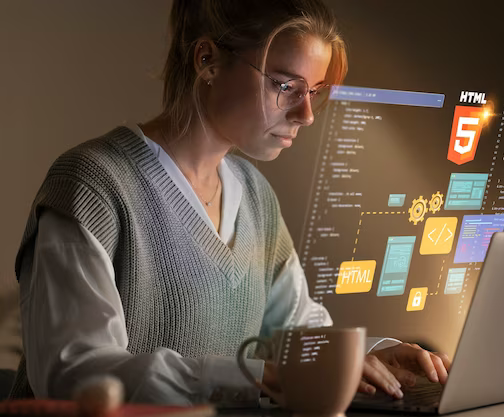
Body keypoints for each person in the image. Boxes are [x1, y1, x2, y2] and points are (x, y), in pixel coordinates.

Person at [10, 0, 450, 406]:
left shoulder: (255, 196)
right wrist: (245, 379)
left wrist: (373, 355)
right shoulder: (93, 185)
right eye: (285, 85)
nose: (306, 114)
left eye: (313, 91)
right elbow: (73, 372)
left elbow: (296, 335)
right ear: (208, 60)